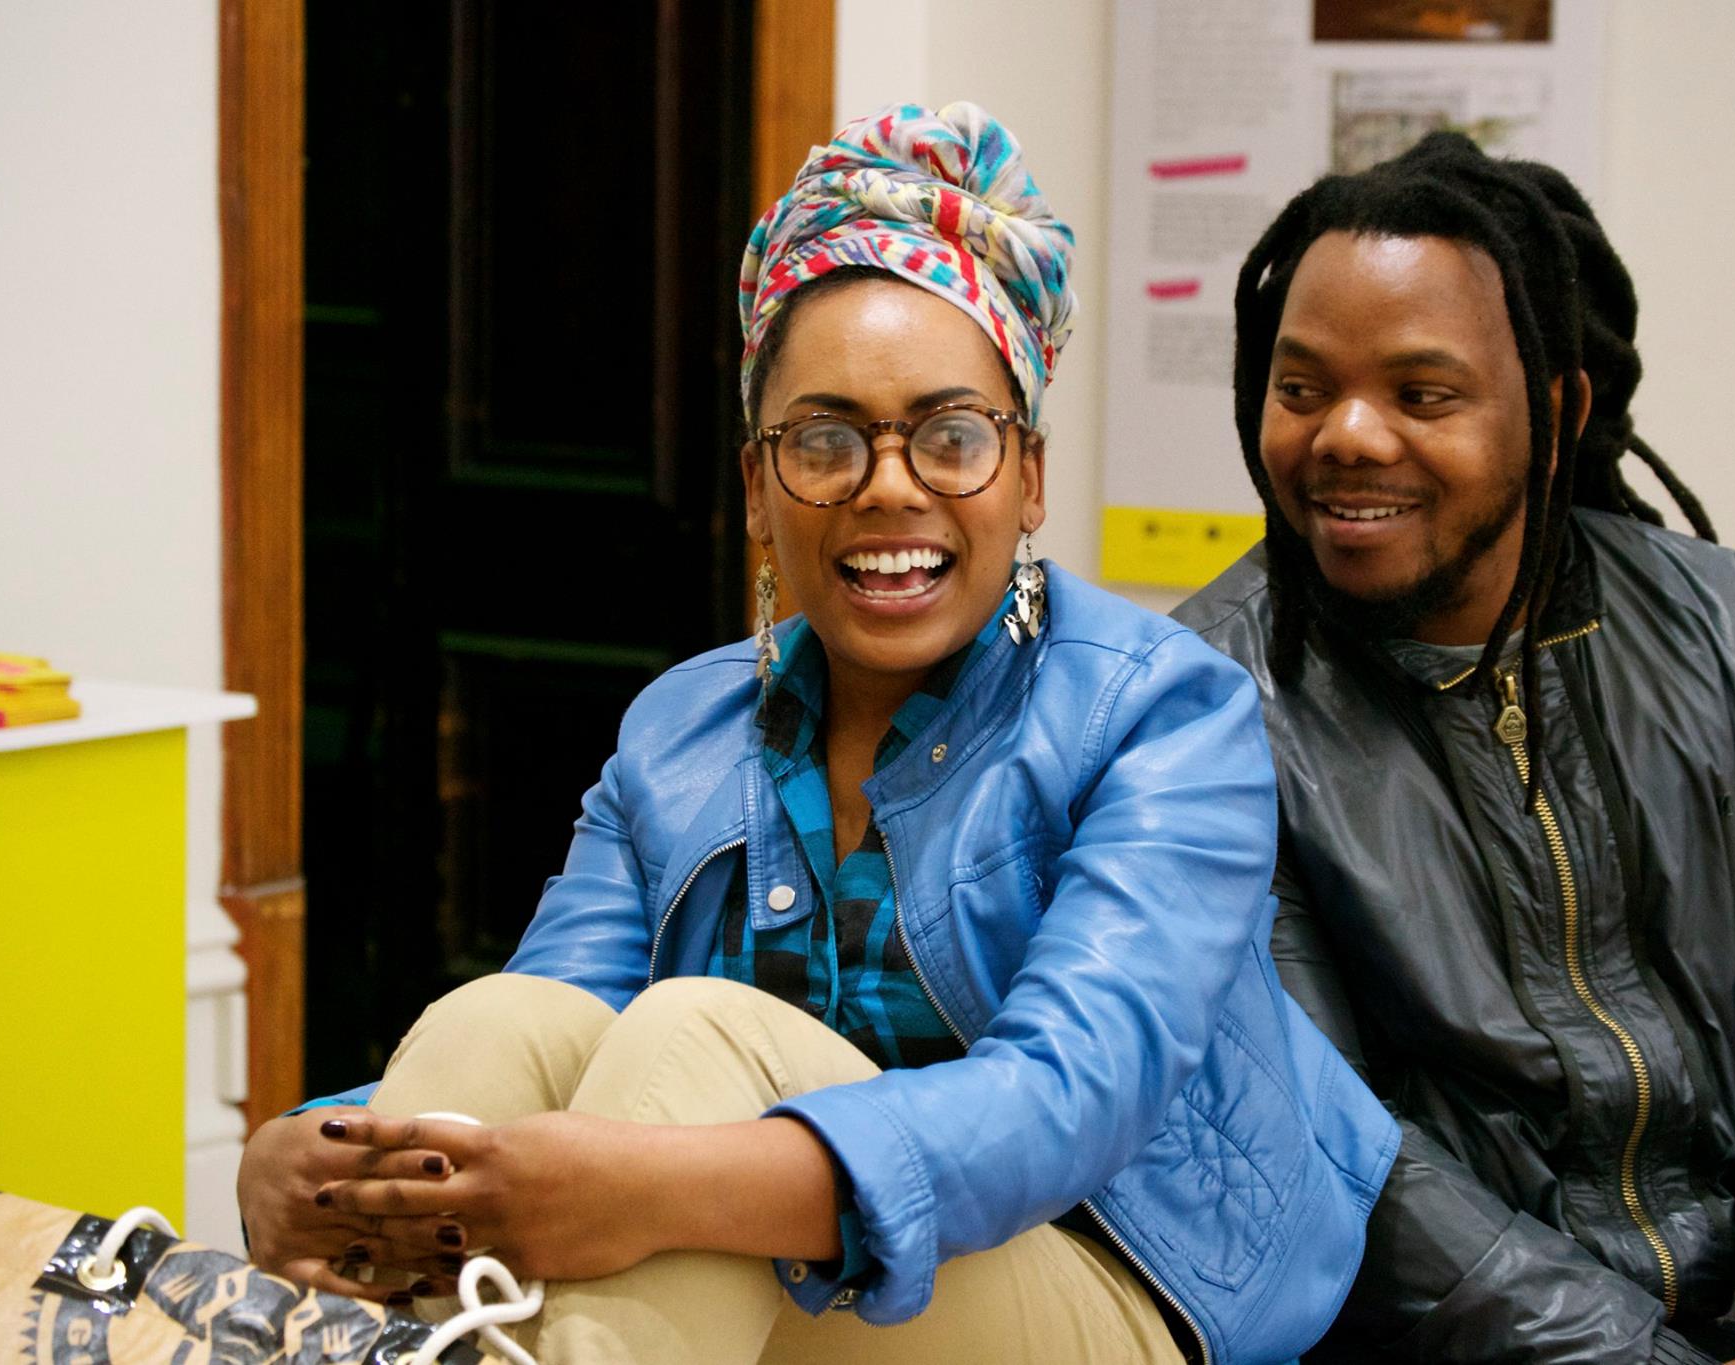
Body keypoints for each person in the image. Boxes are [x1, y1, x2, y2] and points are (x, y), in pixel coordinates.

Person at [234, 102, 1399, 1365]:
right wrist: (320, 1147)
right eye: (826, 440)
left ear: (1027, 477)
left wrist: (656, 1186)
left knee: (690, 1043)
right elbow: (555, 1018)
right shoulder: (680, 728)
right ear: (756, 486)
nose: (888, 486)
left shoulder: (1161, 713)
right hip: (792, 1263)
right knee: (495, 1023)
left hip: (1113, 1276)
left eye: (950, 437)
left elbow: (1066, 1101)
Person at [1175, 132, 1735, 1365]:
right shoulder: (1202, 704)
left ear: (1556, 407)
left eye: (1421, 394)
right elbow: (1335, 1145)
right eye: (1299, 389)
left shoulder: (1725, 625)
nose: (1345, 436)